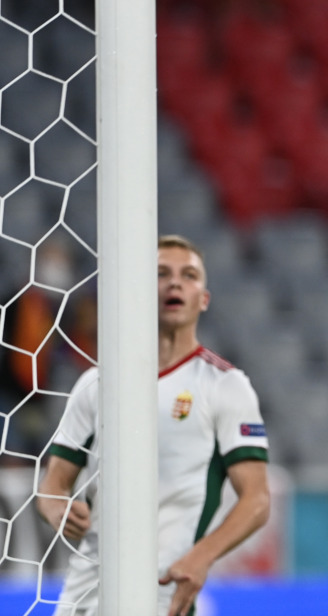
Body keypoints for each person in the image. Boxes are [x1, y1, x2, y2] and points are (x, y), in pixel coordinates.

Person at [36, 235, 271, 616]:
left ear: (204, 299)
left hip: (164, 591)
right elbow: (53, 485)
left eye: (188, 275)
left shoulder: (225, 385)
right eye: (161, 273)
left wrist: (202, 557)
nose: (175, 282)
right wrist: (56, 509)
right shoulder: (97, 383)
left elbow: (257, 500)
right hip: (85, 592)